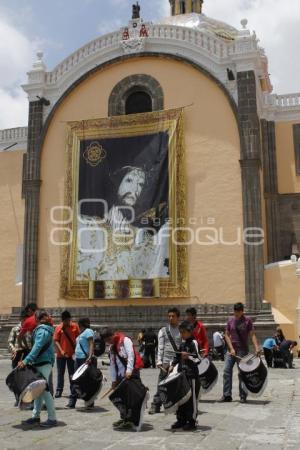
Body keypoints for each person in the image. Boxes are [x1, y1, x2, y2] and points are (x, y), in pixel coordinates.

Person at [17, 310, 57, 428]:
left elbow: (37, 347)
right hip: (41, 362)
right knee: (38, 391)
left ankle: (52, 418)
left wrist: (26, 361)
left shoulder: (43, 330)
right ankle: (36, 417)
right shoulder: (43, 330)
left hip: (44, 362)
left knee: (44, 391)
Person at [101, 327, 145, 431]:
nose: (108, 342)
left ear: (112, 335)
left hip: (130, 373)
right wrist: (113, 380)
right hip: (120, 376)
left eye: (108, 339)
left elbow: (131, 356)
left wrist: (129, 370)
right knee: (121, 398)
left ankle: (132, 419)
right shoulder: (111, 347)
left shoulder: (125, 340)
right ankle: (125, 418)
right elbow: (112, 364)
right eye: (106, 341)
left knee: (131, 398)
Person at [220, 302, 261, 404]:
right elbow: (226, 335)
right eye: (235, 311)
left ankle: (243, 395)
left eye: (238, 311)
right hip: (231, 351)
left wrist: (256, 347)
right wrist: (231, 348)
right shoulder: (230, 321)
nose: (236, 313)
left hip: (242, 350)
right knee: (226, 371)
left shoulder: (247, 321)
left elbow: (252, 335)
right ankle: (227, 395)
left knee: (242, 373)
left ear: (242, 311)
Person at [169, 321, 201, 431]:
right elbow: (177, 356)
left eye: (183, 332)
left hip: (191, 376)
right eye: (180, 332)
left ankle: (191, 421)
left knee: (191, 399)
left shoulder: (194, 343)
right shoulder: (182, 344)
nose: (181, 335)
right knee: (181, 398)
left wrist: (189, 357)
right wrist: (172, 365)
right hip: (182, 375)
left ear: (190, 332)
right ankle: (181, 419)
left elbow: (198, 359)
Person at [149, 307, 181, 415]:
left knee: (177, 385)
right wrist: (158, 361)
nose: (171, 318)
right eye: (169, 316)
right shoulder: (163, 331)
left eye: (173, 316)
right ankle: (156, 405)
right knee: (161, 385)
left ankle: (176, 406)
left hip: (177, 363)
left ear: (178, 317)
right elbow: (160, 347)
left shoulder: (182, 330)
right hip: (165, 363)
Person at [66, 317, 94, 409]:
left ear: (81, 324)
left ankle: (89, 401)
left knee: (85, 380)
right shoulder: (81, 333)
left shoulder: (88, 331)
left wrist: (89, 356)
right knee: (75, 379)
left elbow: (91, 344)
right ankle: (72, 400)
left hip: (84, 359)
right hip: (77, 359)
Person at [54, 310, 80, 398]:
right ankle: (59, 390)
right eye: (65, 321)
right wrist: (61, 350)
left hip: (71, 354)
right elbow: (56, 340)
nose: (67, 322)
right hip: (60, 355)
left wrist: (76, 349)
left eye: (68, 320)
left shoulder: (75, 326)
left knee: (72, 373)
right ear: (62, 320)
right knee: (60, 373)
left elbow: (78, 338)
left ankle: (73, 390)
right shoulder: (59, 328)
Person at [7, 310, 31, 406]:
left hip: (27, 354)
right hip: (17, 354)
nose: (25, 320)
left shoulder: (30, 329)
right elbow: (10, 342)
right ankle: (17, 398)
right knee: (16, 377)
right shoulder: (15, 329)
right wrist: (13, 350)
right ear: (21, 318)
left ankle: (26, 398)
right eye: (24, 318)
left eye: (27, 318)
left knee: (27, 377)